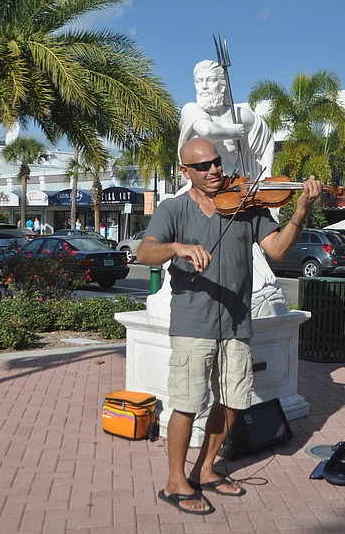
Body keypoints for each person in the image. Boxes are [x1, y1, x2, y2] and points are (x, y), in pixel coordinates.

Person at [137, 137, 322, 515]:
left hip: (237, 323)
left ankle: (205, 469)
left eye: (217, 162)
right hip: (193, 324)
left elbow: (278, 251)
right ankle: (175, 481)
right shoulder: (174, 209)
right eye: (203, 166)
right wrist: (177, 249)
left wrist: (301, 210)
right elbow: (144, 252)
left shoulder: (248, 206)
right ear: (185, 171)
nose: (214, 170)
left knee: (234, 400)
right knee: (187, 405)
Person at [147, 59, 284, 319]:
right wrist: (234, 131)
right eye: (199, 82)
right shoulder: (191, 109)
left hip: (234, 195)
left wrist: (263, 181)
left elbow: (266, 141)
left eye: (210, 81)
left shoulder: (240, 114)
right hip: (195, 195)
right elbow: (207, 129)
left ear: (223, 85)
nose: (204, 87)